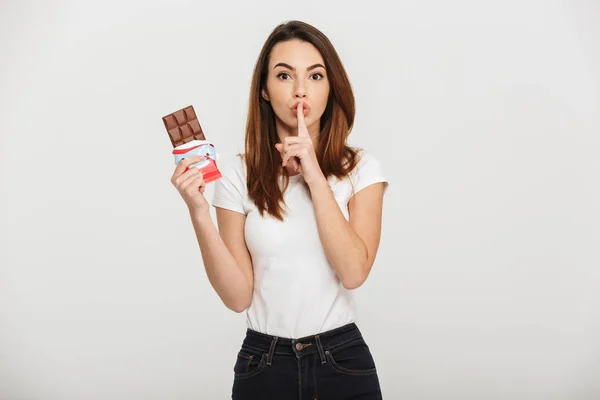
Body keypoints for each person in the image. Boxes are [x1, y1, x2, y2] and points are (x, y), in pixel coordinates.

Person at [171, 20, 388, 400]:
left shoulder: (361, 169)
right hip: (264, 362)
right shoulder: (240, 174)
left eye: (315, 76)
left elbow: (354, 272)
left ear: (331, 88)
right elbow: (238, 297)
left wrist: (315, 176)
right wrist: (198, 212)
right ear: (266, 92)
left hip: (341, 360)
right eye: (285, 75)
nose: (300, 90)